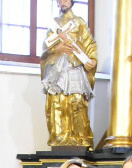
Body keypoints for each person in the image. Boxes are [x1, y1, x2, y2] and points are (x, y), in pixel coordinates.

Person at [40, 0, 97, 147]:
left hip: (75, 66)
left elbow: (89, 43)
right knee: (56, 101)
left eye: (65, 0)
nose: (62, 3)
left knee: (77, 100)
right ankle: (58, 138)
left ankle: (80, 138)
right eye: (60, 1)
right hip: (57, 69)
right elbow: (46, 47)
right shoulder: (54, 24)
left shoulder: (79, 23)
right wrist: (57, 49)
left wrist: (92, 60)